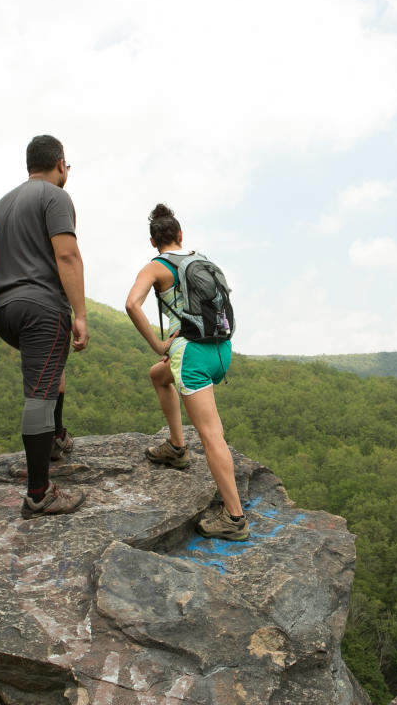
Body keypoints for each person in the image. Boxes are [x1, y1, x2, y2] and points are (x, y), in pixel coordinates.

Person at [124, 204, 247, 541]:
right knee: (158, 375)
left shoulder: (156, 267)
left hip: (190, 353)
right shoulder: (202, 260)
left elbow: (132, 304)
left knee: (211, 434)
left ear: (153, 242)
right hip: (221, 349)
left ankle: (235, 518)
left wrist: (158, 344)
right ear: (181, 236)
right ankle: (177, 447)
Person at [0, 134, 86, 519]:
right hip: (40, 305)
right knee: (39, 394)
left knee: (48, 371)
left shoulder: (2, 203)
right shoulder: (55, 197)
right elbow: (67, 254)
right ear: (60, 164)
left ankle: (56, 439)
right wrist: (79, 313)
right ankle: (39, 493)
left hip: (2, 307)